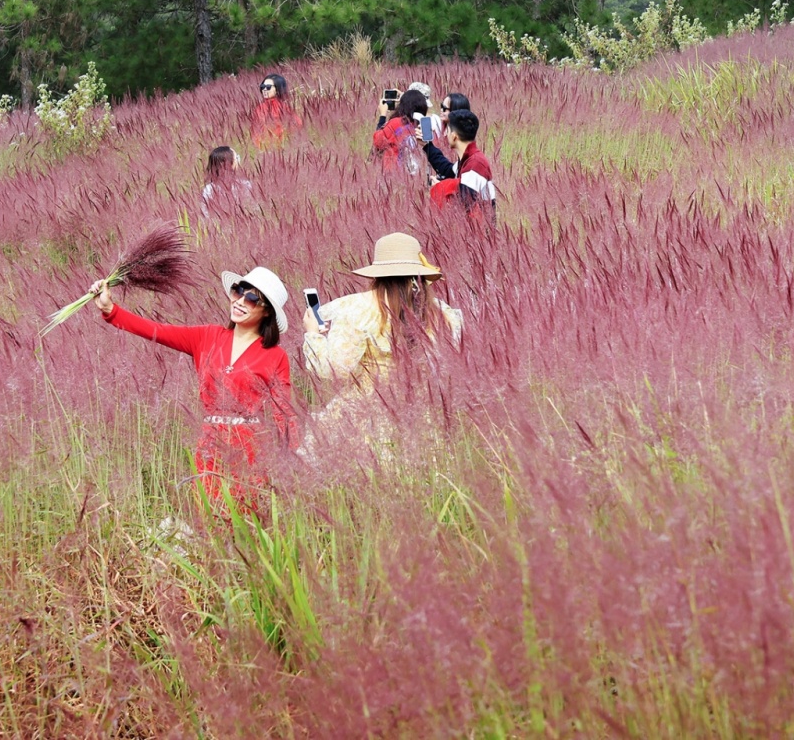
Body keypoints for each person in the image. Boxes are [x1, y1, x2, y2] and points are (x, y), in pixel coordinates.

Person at [90, 266, 295, 514]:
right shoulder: (206, 336)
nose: (240, 301)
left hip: (249, 449)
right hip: (210, 445)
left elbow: (284, 413)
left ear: (266, 312)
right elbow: (156, 330)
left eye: (252, 298)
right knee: (211, 516)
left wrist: (291, 459)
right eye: (238, 291)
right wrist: (110, 310)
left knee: (246, 520)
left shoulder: (275, 356)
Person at [300, 233, 462, 462]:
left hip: (364, 417)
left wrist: (313, 334)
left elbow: (332, 370)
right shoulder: (442, 313)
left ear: (377, 273)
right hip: (421, 417)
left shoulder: (357, 309)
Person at [425, 109, 496, 211]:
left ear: (454, 136)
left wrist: (440, 187)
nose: (446, 135)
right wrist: (427, 146)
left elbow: (465, 203)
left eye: (448, 131)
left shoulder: (476, 164)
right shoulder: (468, 159)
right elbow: (448, 170)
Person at [373, 88, 428, 174]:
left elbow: (378, 142)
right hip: (419, 173)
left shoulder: (397, 123)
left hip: (395, 174)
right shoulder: (426, 124)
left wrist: (383, 115)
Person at [251, 72, 301, 148]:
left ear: (278, 89)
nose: (264, 89)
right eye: (262, 86)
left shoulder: (283, 107)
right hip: (264, 147)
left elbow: (297, 124)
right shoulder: (259, 107)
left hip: (279, 146)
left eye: (268, 87)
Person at [201, 146, 254, 216]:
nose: (239, 161)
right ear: (228, 164)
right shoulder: (245, 186)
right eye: (237, 158)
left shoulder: (208, 189)